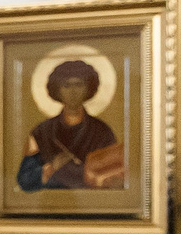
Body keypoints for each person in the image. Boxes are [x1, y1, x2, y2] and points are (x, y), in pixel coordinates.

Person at [17, 57, 121, 189]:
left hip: (91, 205)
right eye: (66, 85)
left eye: (79, 84)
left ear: (88, 88)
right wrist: (52, 167)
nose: (73, 91)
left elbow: (114, 176)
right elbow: (24, 180)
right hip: (50, 204)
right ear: (57, 90)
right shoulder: (41, 132)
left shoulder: (102, 132)